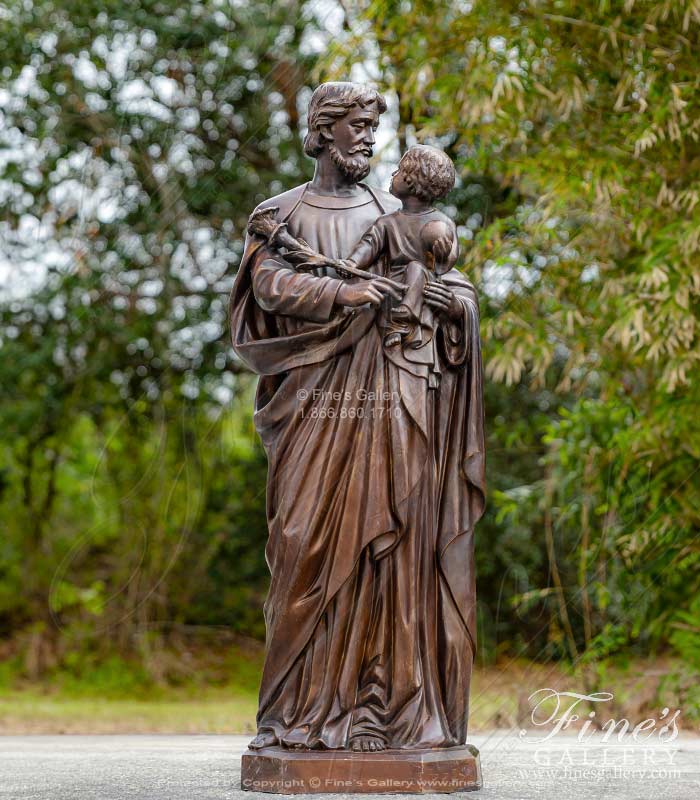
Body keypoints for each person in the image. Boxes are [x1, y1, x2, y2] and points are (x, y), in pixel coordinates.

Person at [230, 82, 485, 753]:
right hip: (313, 405)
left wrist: (453, 304)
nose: (368, 137)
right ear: (321, 131)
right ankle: (295, 716)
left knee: (393, 552)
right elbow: (266, 287)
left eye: (375, 127)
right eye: (356, 126)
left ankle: (385, 712)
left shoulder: (395, 210)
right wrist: (342, 292)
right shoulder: (279, 213)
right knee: (301, 542)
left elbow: (450, 284)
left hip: (392, 405)